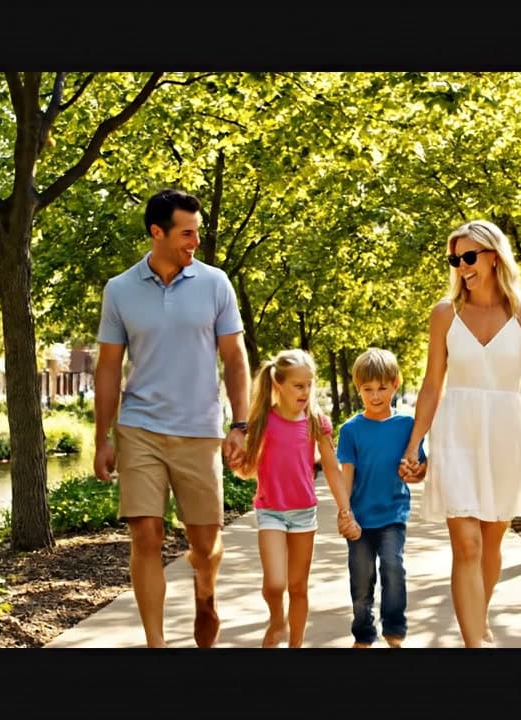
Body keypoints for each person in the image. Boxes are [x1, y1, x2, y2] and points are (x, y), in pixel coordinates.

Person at [92, 188, 252, 649]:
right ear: (156, 233)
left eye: (197, 232)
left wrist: (239, 424)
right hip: (139, 425)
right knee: (146, 533)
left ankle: (205, 593)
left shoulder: (215, 283)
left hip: (199, 430)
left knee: (205, 546)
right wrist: (102, 436)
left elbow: (235, 358)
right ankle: (156, 646)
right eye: (187, 233)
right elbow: (108, 366)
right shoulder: (120, 289)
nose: (195, 242)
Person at [400, 219, 521, 648]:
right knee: (466, 545)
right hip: (457, 433)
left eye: (469, 257)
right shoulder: (444, 314)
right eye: (455, 259)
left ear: (493, 256)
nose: (461, 266)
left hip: (507, 432)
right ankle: (475, 646)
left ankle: (479, 619)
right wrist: (415, 443)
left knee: (491, 543)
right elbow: (432, 384)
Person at [232, 348, 355, 648]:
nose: (306, 391)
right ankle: (277, 620)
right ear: (278, 385)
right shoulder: (263, 421)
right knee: (275, 584)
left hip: (303, 514)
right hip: (270, 511)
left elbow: (331, 468)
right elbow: (249, 468)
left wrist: (345, 510)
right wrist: (238, 463)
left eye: (309, 384)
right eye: (298, 385)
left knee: (298, 587)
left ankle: (295, 645)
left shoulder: (316, 421)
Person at [335, 348, 427, 649]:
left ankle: (395, 630)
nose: (375, 396)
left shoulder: (407, 426)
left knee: (393, 567)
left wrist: (416, 471)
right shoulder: (350, 430)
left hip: (393, 514)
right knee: (361, 581)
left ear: (396, 384)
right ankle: (363, 635)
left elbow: (419, 467)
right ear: (358, 388)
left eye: (382, 388)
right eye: (368, 389)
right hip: (360, 518)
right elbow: (345, 474)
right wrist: (344, 511)